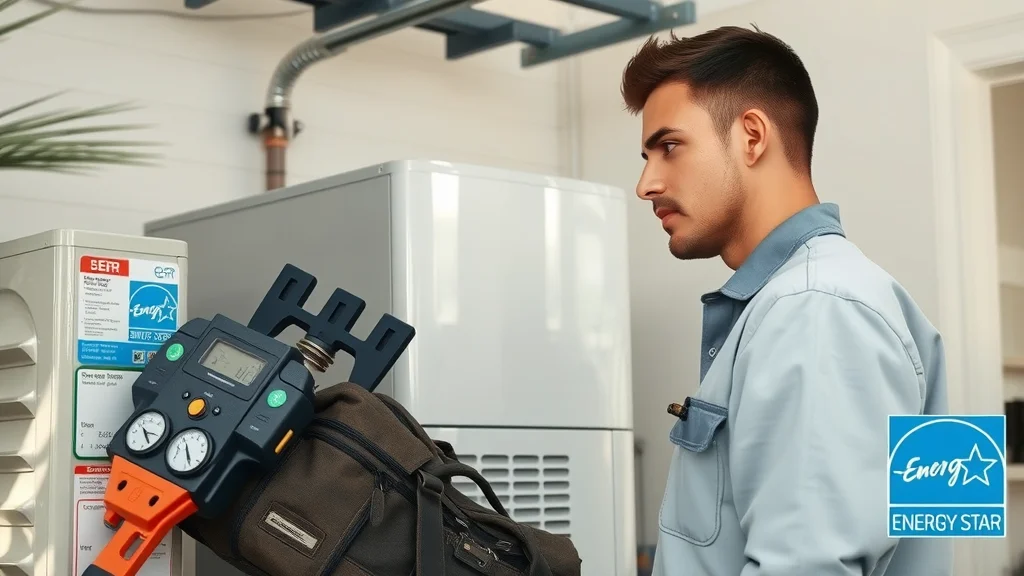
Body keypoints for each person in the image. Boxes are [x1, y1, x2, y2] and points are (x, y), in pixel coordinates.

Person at [619, 25, 951, 576]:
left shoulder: (817, 308)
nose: (646, 183)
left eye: (669, 147)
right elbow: (934, 540)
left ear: (752, 136)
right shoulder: (864, 298)